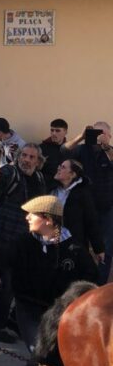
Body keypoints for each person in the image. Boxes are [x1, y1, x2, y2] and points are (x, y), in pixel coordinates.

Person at [0, 195, 97, 366]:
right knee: (43, 351)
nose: (26, 217)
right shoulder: (24, 242)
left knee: (59, 359)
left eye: (31, 214)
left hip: (62, 313)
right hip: (29, 310)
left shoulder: (74, 249)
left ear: (48, 219)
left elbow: (92, 279)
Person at [0, 143, 46, 343]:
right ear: (19, 156)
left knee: (25, 282)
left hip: (26, 239)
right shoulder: (11, 172)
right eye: (24, 155)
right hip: (4, 236)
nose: (26, 160)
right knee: (9, 283)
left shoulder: (39, 178)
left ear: (38, 161)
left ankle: (12, 320)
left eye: (31, 157)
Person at [68, 122, 113, 284]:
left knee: (106, 249)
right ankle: (81, 284)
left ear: (109, 136)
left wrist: (106, 147)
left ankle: (98, 286)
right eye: (96, 133)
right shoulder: (82, 150)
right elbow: (64, 151)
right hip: (84, 208)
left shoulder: (110, 152)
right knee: (80, 245)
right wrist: (81, 136)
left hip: (106, 209)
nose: (99, 137)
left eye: (103, 134)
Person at [51, 159, 103, 260]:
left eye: (63, 167)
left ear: (72, 174)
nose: (58, 168)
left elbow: (91, 221)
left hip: (72, 245)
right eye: (60, 165)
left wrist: (98, 249)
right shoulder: (51, 188)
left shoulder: (82, 194)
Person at [40, 119, 70, 191]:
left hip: (65, 189)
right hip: (46, 188)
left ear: (65, 131)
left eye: (57, 131)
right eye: (52, 130)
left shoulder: (71, 149)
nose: (54, 133)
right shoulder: (42, 148)